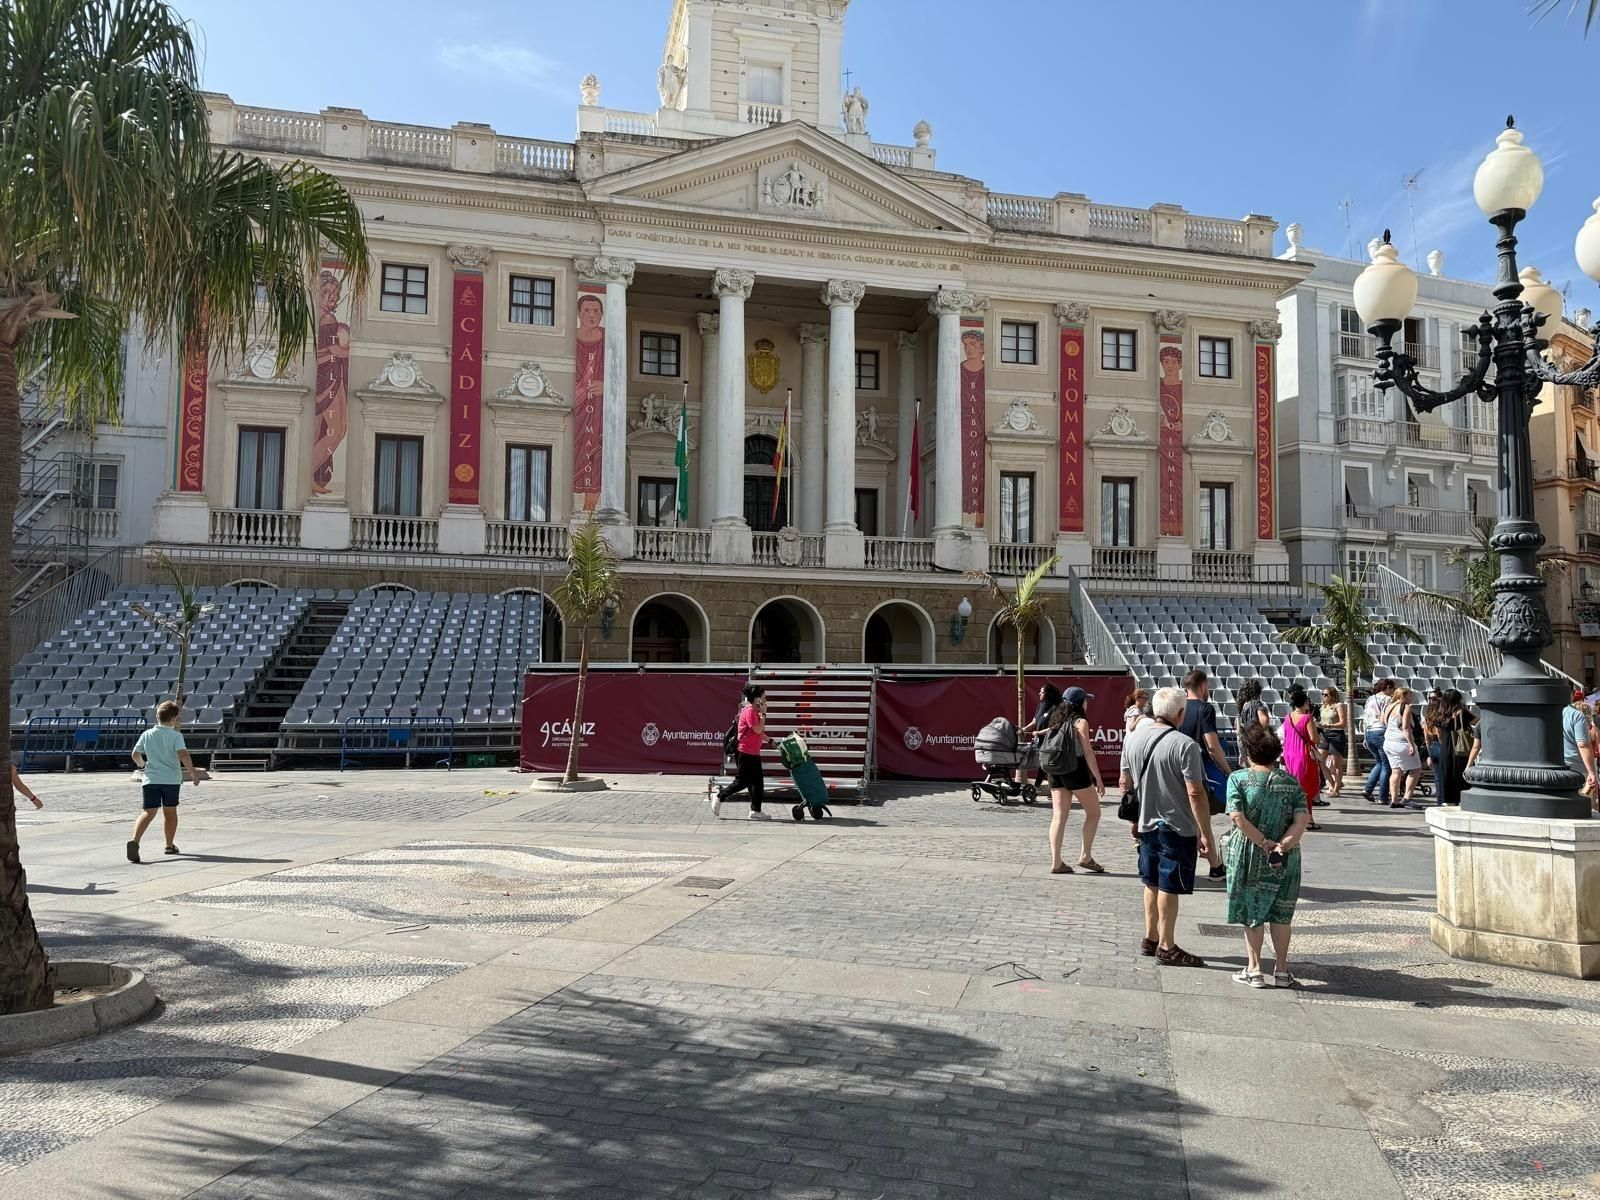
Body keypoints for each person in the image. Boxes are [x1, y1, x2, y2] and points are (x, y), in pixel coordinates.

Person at [1122, 687, 1212, 967]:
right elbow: (1195, 793)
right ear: (1180, 713)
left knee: (1150, 882)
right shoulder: (1184, 745)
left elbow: (1125, 784)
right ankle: (1167, 945)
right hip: (1177, 826)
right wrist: (1205, 831)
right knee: (1169, 886)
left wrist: (1134, 820)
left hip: (1147, 823)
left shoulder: (1133, 740)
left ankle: (1150, 938)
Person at [1224, 723, 1311, 988]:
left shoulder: (1238, 779)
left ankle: (1254, 969)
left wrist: (1263, 842)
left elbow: (1237, 816)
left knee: (1253, 911)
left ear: (1248, 751)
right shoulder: (1291, 782)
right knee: (1281, 913)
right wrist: (1282, 845)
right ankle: (1282, 971)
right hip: (1286, 856)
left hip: (1250, 851)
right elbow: (1301, 820)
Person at [128, 701, 201, 862]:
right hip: (170, 780)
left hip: (150, 779)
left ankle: (135, 840)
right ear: (174, 719)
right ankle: (169, 845)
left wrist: (143, 765)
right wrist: (193, 772)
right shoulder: (175, 735)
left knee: (148, 812)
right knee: (170, 812)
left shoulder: (147, 734)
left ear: (157, 716)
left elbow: (135, 754)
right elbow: (183, 754)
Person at [1045, 686, 1106, 875]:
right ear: (1080, 703)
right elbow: (1087, 752)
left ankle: (1056, 862)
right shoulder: (1080, 722)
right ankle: (1085, 856)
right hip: (1075, 771)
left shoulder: (1055, 719)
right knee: (1094, 813)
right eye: (1085, 700)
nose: (1087, 703)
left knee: (1059, 817)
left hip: (1055, 771)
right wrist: (1098, 778)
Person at [1179, 669, 1229, 878]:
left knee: (1190, 819)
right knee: (1202, 820)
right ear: (1203, 686)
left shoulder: (1178, 708)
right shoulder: (1205, 709)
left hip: (1177, 767)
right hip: (1198, 771)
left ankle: (1203, 865)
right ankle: (1215, 866)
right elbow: (1211, 745)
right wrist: (1227, 770)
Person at [712, 684, 775, 820]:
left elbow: (759, 732)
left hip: (753, 752)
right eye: (764, 698)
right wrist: (764, 714)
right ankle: (719, 796)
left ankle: (755, 811)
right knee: (742, 782)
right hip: (745, 752)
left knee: (757, 782)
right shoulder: (750, 712)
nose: (766, 700)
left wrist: (771, 741)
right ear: (757, 699)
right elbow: (757, 729)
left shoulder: (755, 710)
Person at [1280, 685, 1326, 829]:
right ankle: (1309, 820)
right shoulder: (1307, 718)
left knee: (1294, 787)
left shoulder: (1287, 718)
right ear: (1305, 703)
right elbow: (1314, 739)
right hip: (1303, 755)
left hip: (1289, 755)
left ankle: (1295, 817)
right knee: (1306, 788)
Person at [1424, 689, 1469, 807]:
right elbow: (1479, 722)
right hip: (1460, 747)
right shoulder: (1462, 712)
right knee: (1460, 774)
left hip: (1444, 746)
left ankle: (1445, 800)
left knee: (1444, 775)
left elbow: (1439, 734)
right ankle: (1461, 800)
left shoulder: (1441, 714)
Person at [1383, 686, 1423, 807]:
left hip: (1389, 741)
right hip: (1401, 742)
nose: (1412, 698)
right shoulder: (1406, 707)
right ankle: (1407, 797)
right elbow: (1406, 728)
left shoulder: (1388, 706)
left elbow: (1384, 721)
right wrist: (1411, 744)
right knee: (1416, 769)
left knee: (1396, 771)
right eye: (1410, 695)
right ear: (1404, 696)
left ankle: (1394, 800)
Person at [1019, 683, 1062, 787]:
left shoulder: (1056, 707)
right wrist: (1024, 729)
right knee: (1029, 759)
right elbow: (1034, 722)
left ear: (1048, 694)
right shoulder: (1040, 705)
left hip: (1050, 741)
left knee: (1045, 764)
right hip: (1038, 741)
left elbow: (1055, 727)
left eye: (1041, 692)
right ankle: (1041, 786)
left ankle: (1038, 786)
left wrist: (1039, 733)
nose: (1039, 693)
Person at [1361, 679, 1396, 803]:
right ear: (1387, 688)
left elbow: (1365, 719)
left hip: (1369, 731)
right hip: (1381, 731)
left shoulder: (1370, 699)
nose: (1393, 691)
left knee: (1380, 762)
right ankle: (1383, 796)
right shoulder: (1388, 700)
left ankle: (1368, 789)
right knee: (1387, 765)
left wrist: (1365, 737)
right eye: (1392, 688)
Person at [1562, 694, 1596, 795]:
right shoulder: (1576, 715)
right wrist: (1592, 773)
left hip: (1552, 770)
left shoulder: (1545, 713)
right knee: (1581, 806)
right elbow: (1583, 745)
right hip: (1577, 770)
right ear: (1571, 694)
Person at [1320, 687, 1348, 797]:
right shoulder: (1323, 707)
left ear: (1332, 695)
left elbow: (1343, 723)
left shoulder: (1338, 706)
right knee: (1321, 761)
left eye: (1326, 694)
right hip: (1325, 734)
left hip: (1336, 734)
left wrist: (1329, 725)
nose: (1324, 696)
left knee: (1336, 764)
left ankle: (1336, 789)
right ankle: (1333, 784)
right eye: (1323, 694)